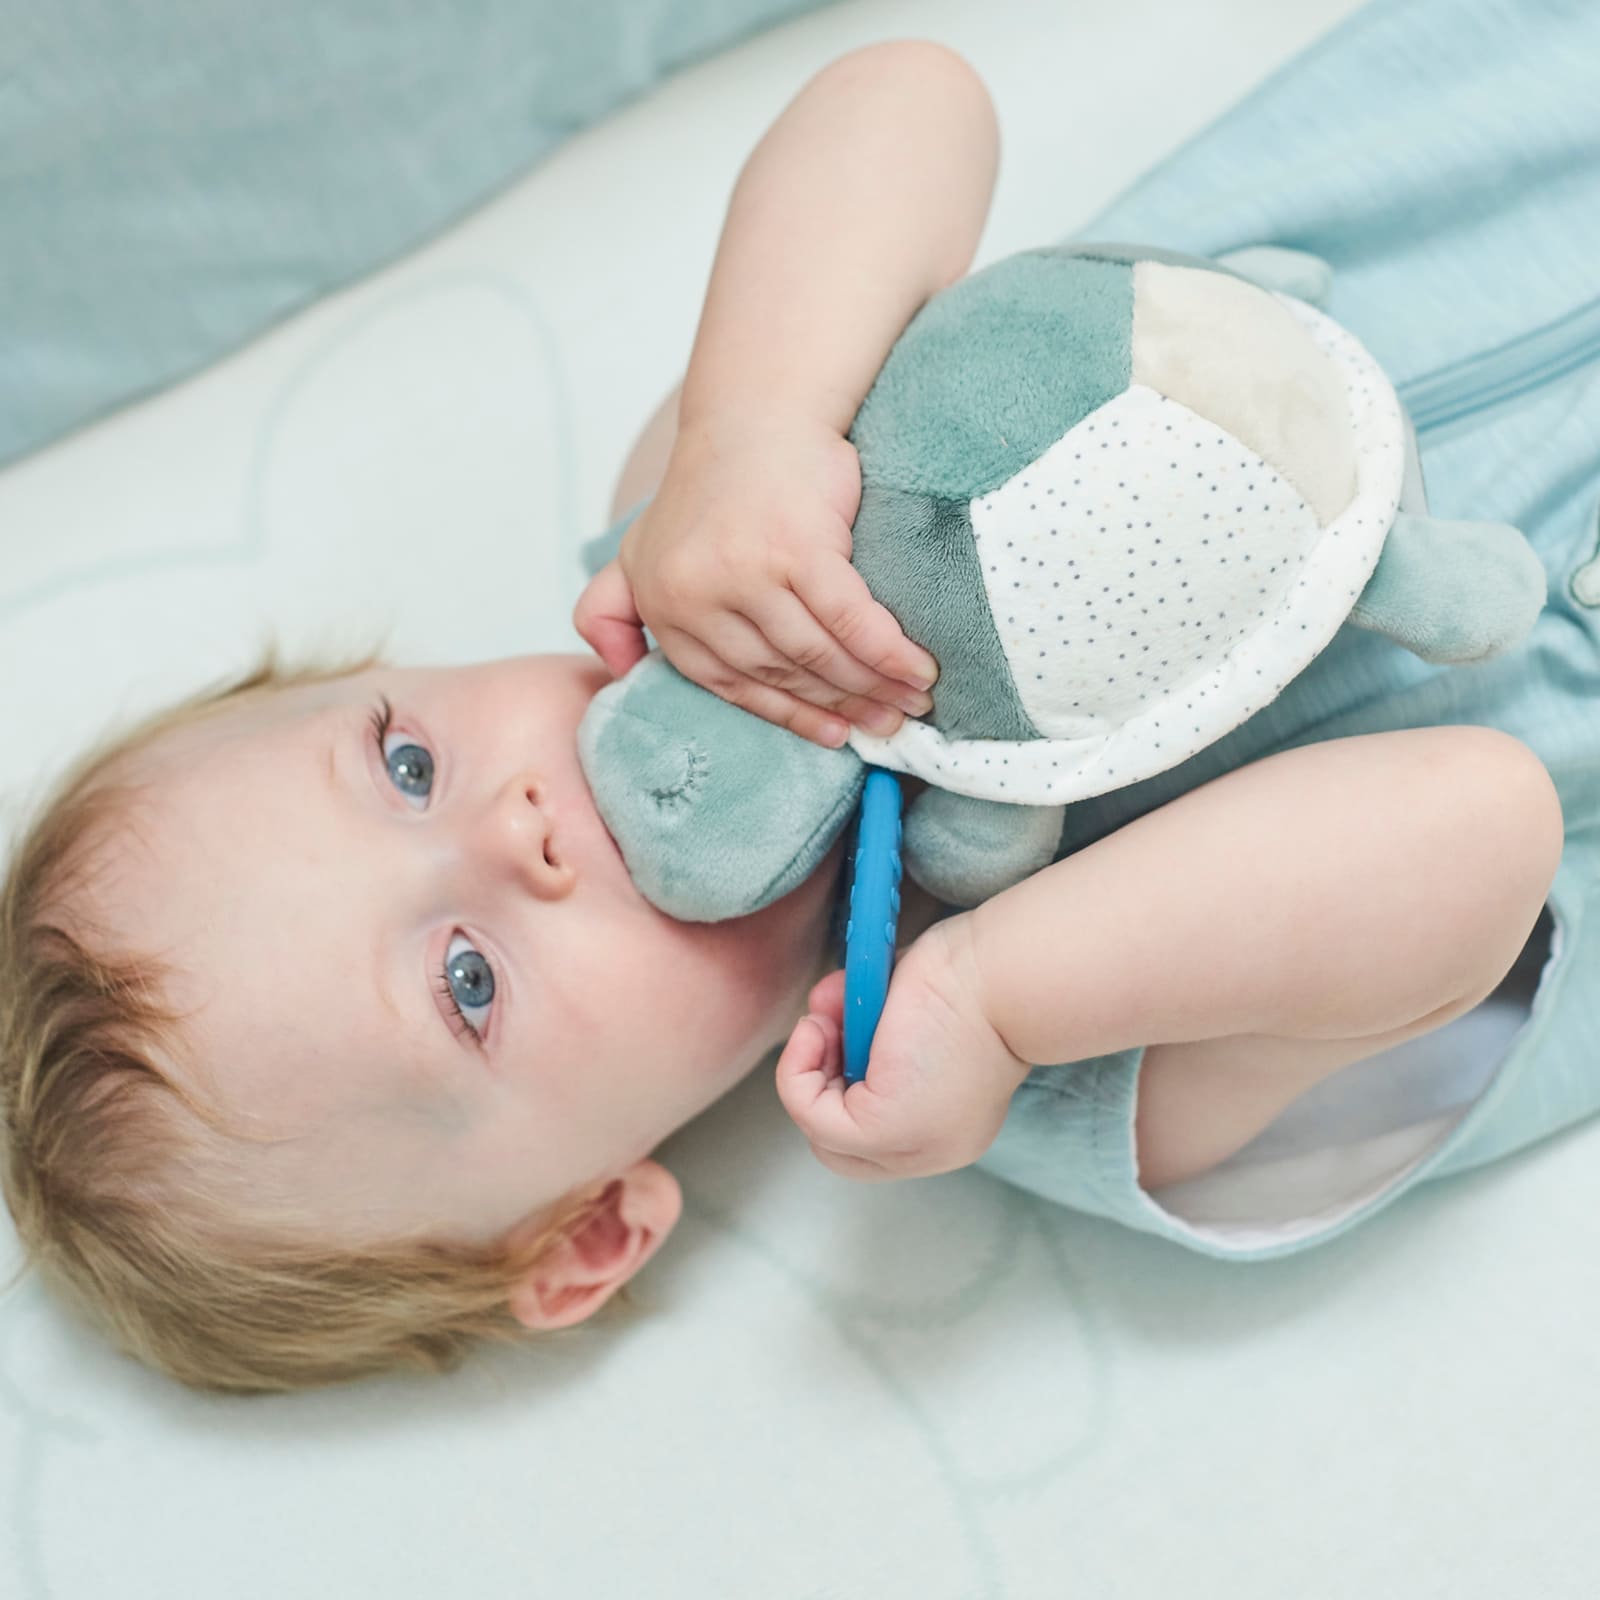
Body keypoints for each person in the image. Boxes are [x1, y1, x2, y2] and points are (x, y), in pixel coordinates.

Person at [0, 41, 1569, 1394]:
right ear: (587, 1230)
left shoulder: (685, 525)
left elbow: (908, 99)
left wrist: (752, 424)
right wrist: (1005, 999)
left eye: (409, 764)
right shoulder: (1066, 1100)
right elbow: (1481, 822)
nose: (517, 825)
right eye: (468, 981)